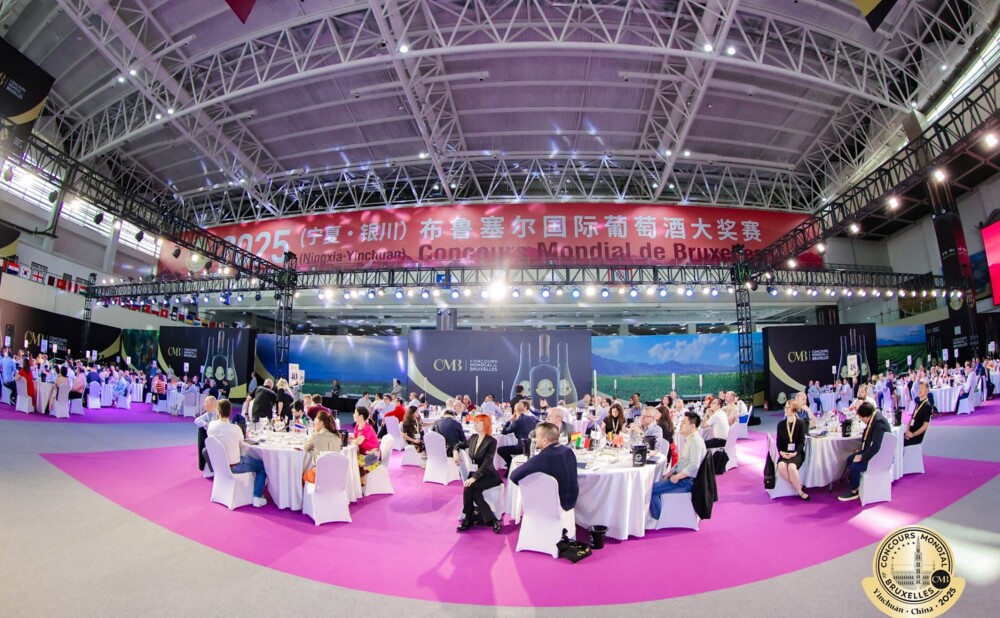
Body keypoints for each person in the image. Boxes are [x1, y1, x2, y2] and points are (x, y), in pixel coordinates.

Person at [207, 399, 267, 507]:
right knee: (262, 465)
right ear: (230, 412)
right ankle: (257, 496)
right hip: (234, 466)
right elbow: (242, 444)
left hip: (218, 465)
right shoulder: (235, 429)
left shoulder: (211, 426)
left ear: (218, 412)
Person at [509, 422, 579, 511]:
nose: (535, 439)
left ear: (545, 440)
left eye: (537, 437)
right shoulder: (568, 451)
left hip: (551, 505)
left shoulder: (542, 458)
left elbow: (514, 476)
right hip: (572, 501)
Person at [649, 412, 706, 519]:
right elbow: (680, 462)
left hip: (686, 481)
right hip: (682, 478)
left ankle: (660, 518)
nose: (680, 425)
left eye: (684, 423)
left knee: (651, 490)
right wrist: (668, 475)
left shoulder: (696, 441)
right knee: (655, 484)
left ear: (692, 426)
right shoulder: (690, 439)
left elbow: (694, 465)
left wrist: (677, 477)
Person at [455, 414, 503, 533]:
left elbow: (488, 462)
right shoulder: (473, 437)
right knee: (474, 491)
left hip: (488, 475)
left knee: (469, 487)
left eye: (478, 422)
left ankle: (468, 518)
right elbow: (458, 445)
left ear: (485, 424)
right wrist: (455, 452)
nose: (475, 425)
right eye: (474, 422)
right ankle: (492, 519)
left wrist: (474, 478)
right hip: (475, 473)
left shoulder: (491, 441)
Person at [838, 402, 891, 501]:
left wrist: (862, 456)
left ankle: (854, 491)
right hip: (872, 451)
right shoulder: (874, 418)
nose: (861, 420)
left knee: (855, 465)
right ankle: (855, 482)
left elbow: (876, 446)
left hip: (879, 456)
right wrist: (861, 451)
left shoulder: (879, 423)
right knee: (850, 459)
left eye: (861, 418)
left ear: (866, 416)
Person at [776, 401, 809, 501]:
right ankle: (798, 487)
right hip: (784, 452)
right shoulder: (781, 424)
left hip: (796, 453)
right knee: (781, 466)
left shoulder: (800, 423)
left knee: (791, 467)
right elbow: (778, 442)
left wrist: (795, 453)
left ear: (794, 410)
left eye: (788, 408)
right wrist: (781, 452)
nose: (785, 410)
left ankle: (800, 492)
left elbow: (801, 442)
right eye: (785, 407)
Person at [302, 409, 343, 483]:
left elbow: (306, 448)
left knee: (302, 476)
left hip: (319, 474)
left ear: (321, 423)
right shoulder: (337, 436)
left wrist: (314, 433)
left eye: (315, 421)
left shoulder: (316, 436)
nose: (314, 423)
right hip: (335, 474)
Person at [498, 401, 538, 470]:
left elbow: (504, 432)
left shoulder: (516, 422)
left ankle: (510, 464)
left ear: (515, 410)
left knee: (500, 450)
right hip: (533, 445)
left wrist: (509, 421)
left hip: (522, 447)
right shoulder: (532, 418)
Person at [351, 408, 381, 485]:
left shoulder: (366, 428)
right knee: (352, 460)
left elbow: (358, 441)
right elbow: (355, 438)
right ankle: (357, 482)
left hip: (373, 455)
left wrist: (354, 440)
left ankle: (360, 482)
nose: (353, 415)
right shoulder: (358, 426)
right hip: (364, 453)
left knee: (354, 462)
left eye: (355, 413)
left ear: (361, 416)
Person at [195, 396, 220, 472]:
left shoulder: (218, 413)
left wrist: (209, 426)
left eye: (205, 403)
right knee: (201, 429)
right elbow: (196, 421)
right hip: (210, 435)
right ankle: (203, 465)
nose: (204, 404)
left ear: (210, 404)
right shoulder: (208, 414)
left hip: (218, 437)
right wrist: (205, 424)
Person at [905, 382, 932, 447]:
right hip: (910, 433)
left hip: (916, 437)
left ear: (927, 390)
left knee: (897, 443)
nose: (919, 390)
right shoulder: (918, 403)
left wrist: (913, 434)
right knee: (897, 440)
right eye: (919, 388)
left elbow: (925, 426)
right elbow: (911, 420)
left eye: (922, 388)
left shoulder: (927, 406)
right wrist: (907, 432)